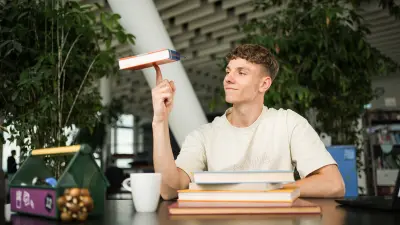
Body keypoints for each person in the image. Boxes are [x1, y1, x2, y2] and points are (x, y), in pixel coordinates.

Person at [151, 44, 345, 200]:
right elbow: (170, 189)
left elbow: (334, 184)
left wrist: (268, 189)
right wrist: (160, 121)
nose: (228, 78)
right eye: (228, 71)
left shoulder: (289, 122)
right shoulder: (203, 135)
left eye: (241, 73)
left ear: (264, 84)